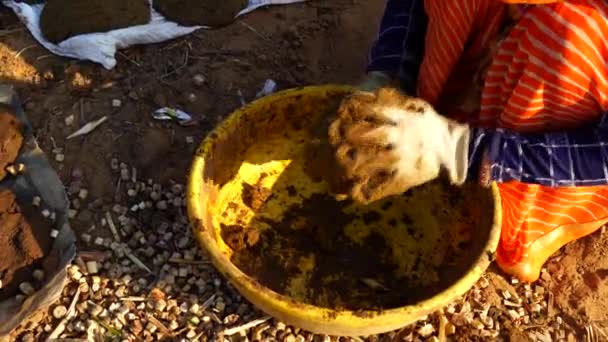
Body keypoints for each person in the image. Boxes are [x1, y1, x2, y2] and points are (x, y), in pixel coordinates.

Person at [329, 0, 608, 282]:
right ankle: (439, 117)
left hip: (569, 96)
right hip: (498, 53)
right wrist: (391, 72)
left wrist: (463, 150)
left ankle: (532, 210)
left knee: (565, 37)